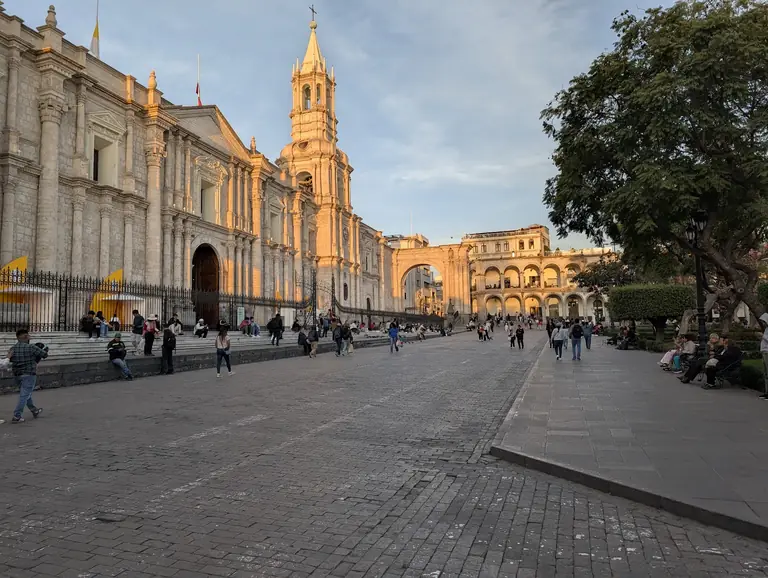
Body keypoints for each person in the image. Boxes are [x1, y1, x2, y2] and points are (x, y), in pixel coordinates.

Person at [8, 329, 48, 423]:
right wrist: (45, 350)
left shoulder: (12, 348)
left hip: (17, 374)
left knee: (26, 394)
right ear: (26, 337)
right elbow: (44, 355)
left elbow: (9, 360)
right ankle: (17, 416)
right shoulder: (31, 347)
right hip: (29, 374)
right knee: (24, 395)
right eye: (29, 335)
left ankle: (34, 410)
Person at [760, 313, 768, 400]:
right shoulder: (766, 329)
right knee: (765, 373)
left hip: (767, 352)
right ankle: (766, 392)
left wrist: (763, 336)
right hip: (764, 351)